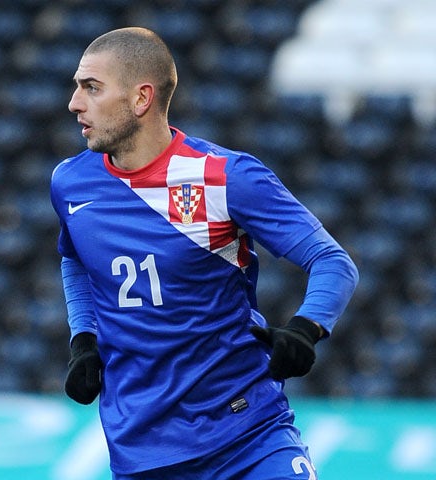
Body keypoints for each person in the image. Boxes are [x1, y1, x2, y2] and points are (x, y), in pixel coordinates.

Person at [50, 27, 358, 480]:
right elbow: (75, 259)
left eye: (91, 88)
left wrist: (307, 328)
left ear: (141, 99)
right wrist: (84, 339)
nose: (75, 103)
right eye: (77, 87)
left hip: (248, 434)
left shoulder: (225, 176)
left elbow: (333, 262)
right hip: (142, 450)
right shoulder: (70, 183)